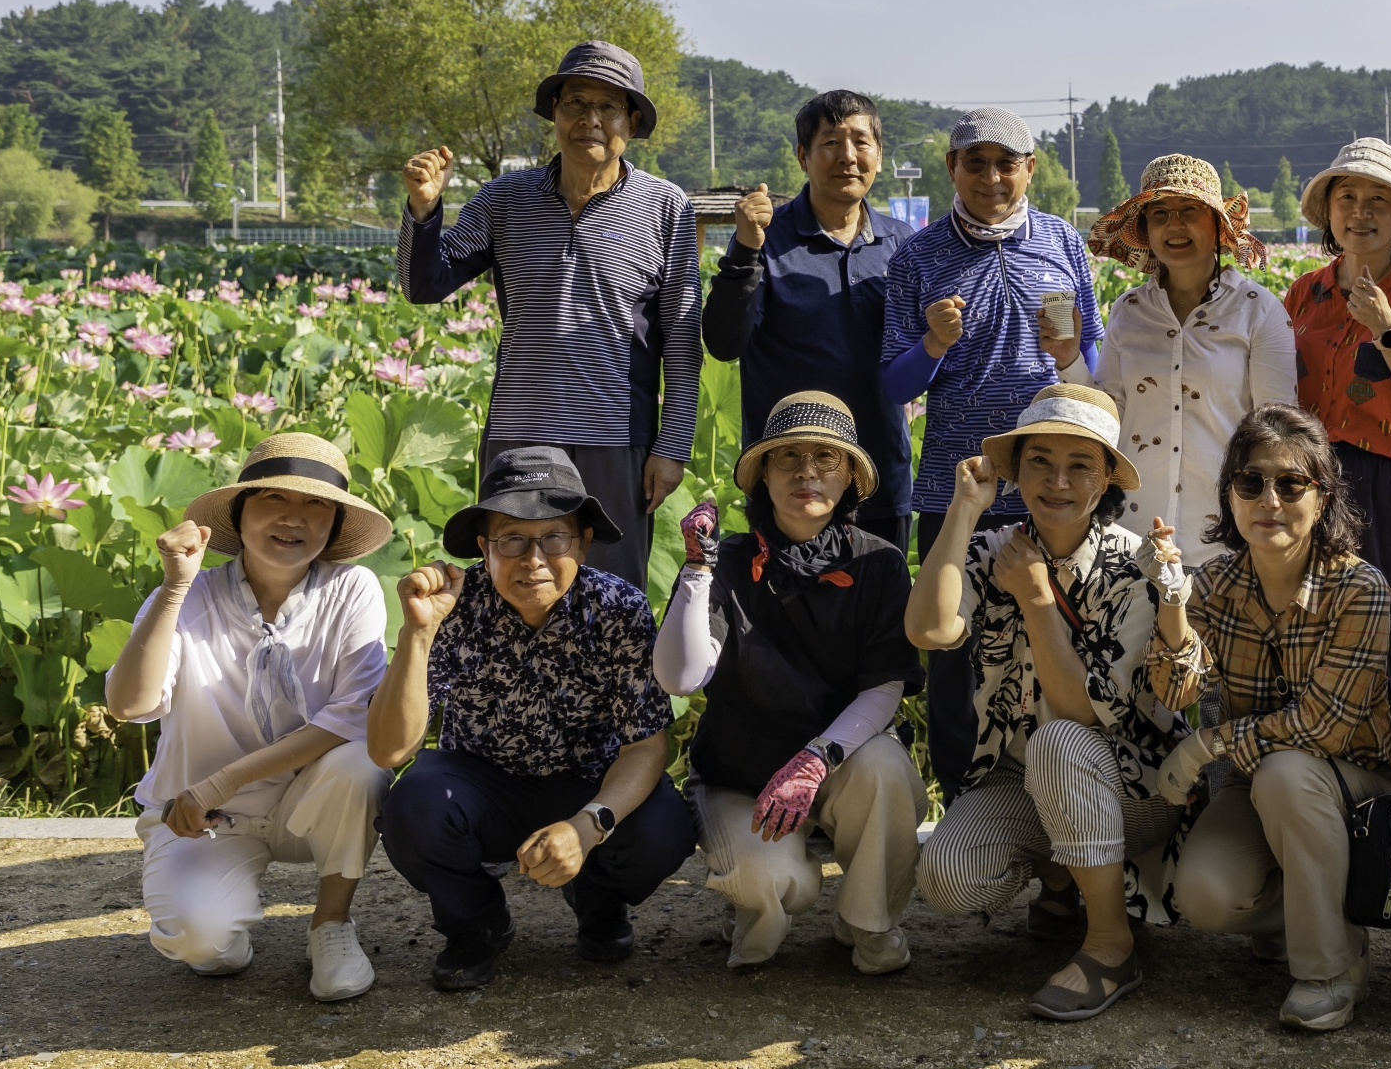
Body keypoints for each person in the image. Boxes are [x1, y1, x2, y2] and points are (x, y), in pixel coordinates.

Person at [906, 385, 1190, 1022]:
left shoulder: (1134, 568)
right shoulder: (994, 550)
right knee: (947, 877)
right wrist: (963, 510)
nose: (1057, 481)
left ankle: (1112, 945)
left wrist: (1036, 599)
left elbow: (1081, 715)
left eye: (1080, 465)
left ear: (1106, 479)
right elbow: (928, 630)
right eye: (1039, 461)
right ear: (1015, 469)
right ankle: (1063, 877)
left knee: (1060, 743)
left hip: (1134, 787)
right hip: (1023, 778)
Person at [372, 448, 695, 991]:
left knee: (665, 825)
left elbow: (645, 747)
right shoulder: (456, 605)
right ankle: (476, 923)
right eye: (512, 540)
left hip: (589, 785)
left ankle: (599, 901)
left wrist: (587, 826)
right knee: (412, 803)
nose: (534, 559)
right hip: (483, 789)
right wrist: (418, 634)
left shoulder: (618, 608)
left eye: (554, 537)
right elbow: (388, 752)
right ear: (484, 547)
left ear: (584, 541)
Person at [105, 434, 394, 1002]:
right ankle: (221, 923)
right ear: (238, 516)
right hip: (206, 817)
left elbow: (351, 716)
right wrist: (173, 587)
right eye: (272, 501)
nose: (294, 519)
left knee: (362, 763)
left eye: (316, 506)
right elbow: (130, 705)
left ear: (335, 525)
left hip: (303, 803)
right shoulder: (189, 592)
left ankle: (331, 924)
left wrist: (226, 777)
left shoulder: (352, 589)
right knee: (202, 947)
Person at [400, 40, 701, 584]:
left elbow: (681, 340)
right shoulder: (502, 200)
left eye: (608, 107)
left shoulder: (666, 208)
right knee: (516, 586)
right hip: (520, 432)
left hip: (617, 437)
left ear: (631, 122)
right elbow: (424, 284)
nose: (589, 120)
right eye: (575, 104)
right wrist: (424, 211)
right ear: (555, 114)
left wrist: (672, 446)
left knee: (612, 594)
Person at [1146, 406, 1391, 1032]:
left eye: (1292, 484)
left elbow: (1323, 729)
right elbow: (1176, 690)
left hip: (1356, 785)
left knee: (1288, 773)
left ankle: (1332, 967)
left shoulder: (1360, 589)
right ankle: (1307, 913)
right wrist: (1174, 602)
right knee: (1204, 894)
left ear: (1323, 495)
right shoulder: (1211, 583)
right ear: (1230, 494)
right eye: (1251, 482)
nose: (1270, 499)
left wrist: (1205, 746)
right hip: (1253, 782)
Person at [656, 392, 928, 974]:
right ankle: (755, 908)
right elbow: (680, 676)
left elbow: (885, 685)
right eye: (788, 458)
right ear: (763, 476)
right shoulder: (726, 560)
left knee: (885, 767)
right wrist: (696, 572)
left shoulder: (878, 562)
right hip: (739, 775)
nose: (807, 472)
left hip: (834, 762)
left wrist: (813, 761)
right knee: (778, 884)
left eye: (826, 458)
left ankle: (869, 923)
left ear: (851, 476)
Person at [882, 106, 1102, 799]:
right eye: (974, 161)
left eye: (1006, 162)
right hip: (961, 491)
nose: (991, 176)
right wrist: (934, 345)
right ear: (952, 169)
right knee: (955, 656)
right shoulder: (917, 257)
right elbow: (893, 383)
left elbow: (1093, 362)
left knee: (1057, 650)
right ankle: (964, 805)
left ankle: (1056, 809)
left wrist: (1070, 354)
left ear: (1030, 170)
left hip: (1056, 488)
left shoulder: (1064, 243)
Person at [703, 89, 916, 547]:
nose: (848, 156)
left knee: (882, 611)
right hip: (789, 479)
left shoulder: (904, 244)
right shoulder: (765, 237)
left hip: (879, 472)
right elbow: (723, 342)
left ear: (879, 156)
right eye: (830, 143)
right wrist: (744, 249)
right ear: (803, 156)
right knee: (784, 614)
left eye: (862, 142)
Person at [1285, 138, 1391, 677]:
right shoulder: (1304, 292)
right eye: (1347, 197)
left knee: (1389, 627)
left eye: (1378, 200)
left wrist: (1388, 329)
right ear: (1330, 212)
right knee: (1312, 622)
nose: (1360, 213)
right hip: (1311, 475)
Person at [1086, 153, 1298, 538]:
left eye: (1189, 210)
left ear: (1218, 225)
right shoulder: (1128, 310)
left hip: (1225, 531)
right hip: (1134, 530)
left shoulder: (1259, 311)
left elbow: (1278, 432)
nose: (1174, 225)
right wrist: (1068, 360)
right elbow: (1107, 413)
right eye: (1160, 214)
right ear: (1145, 230)